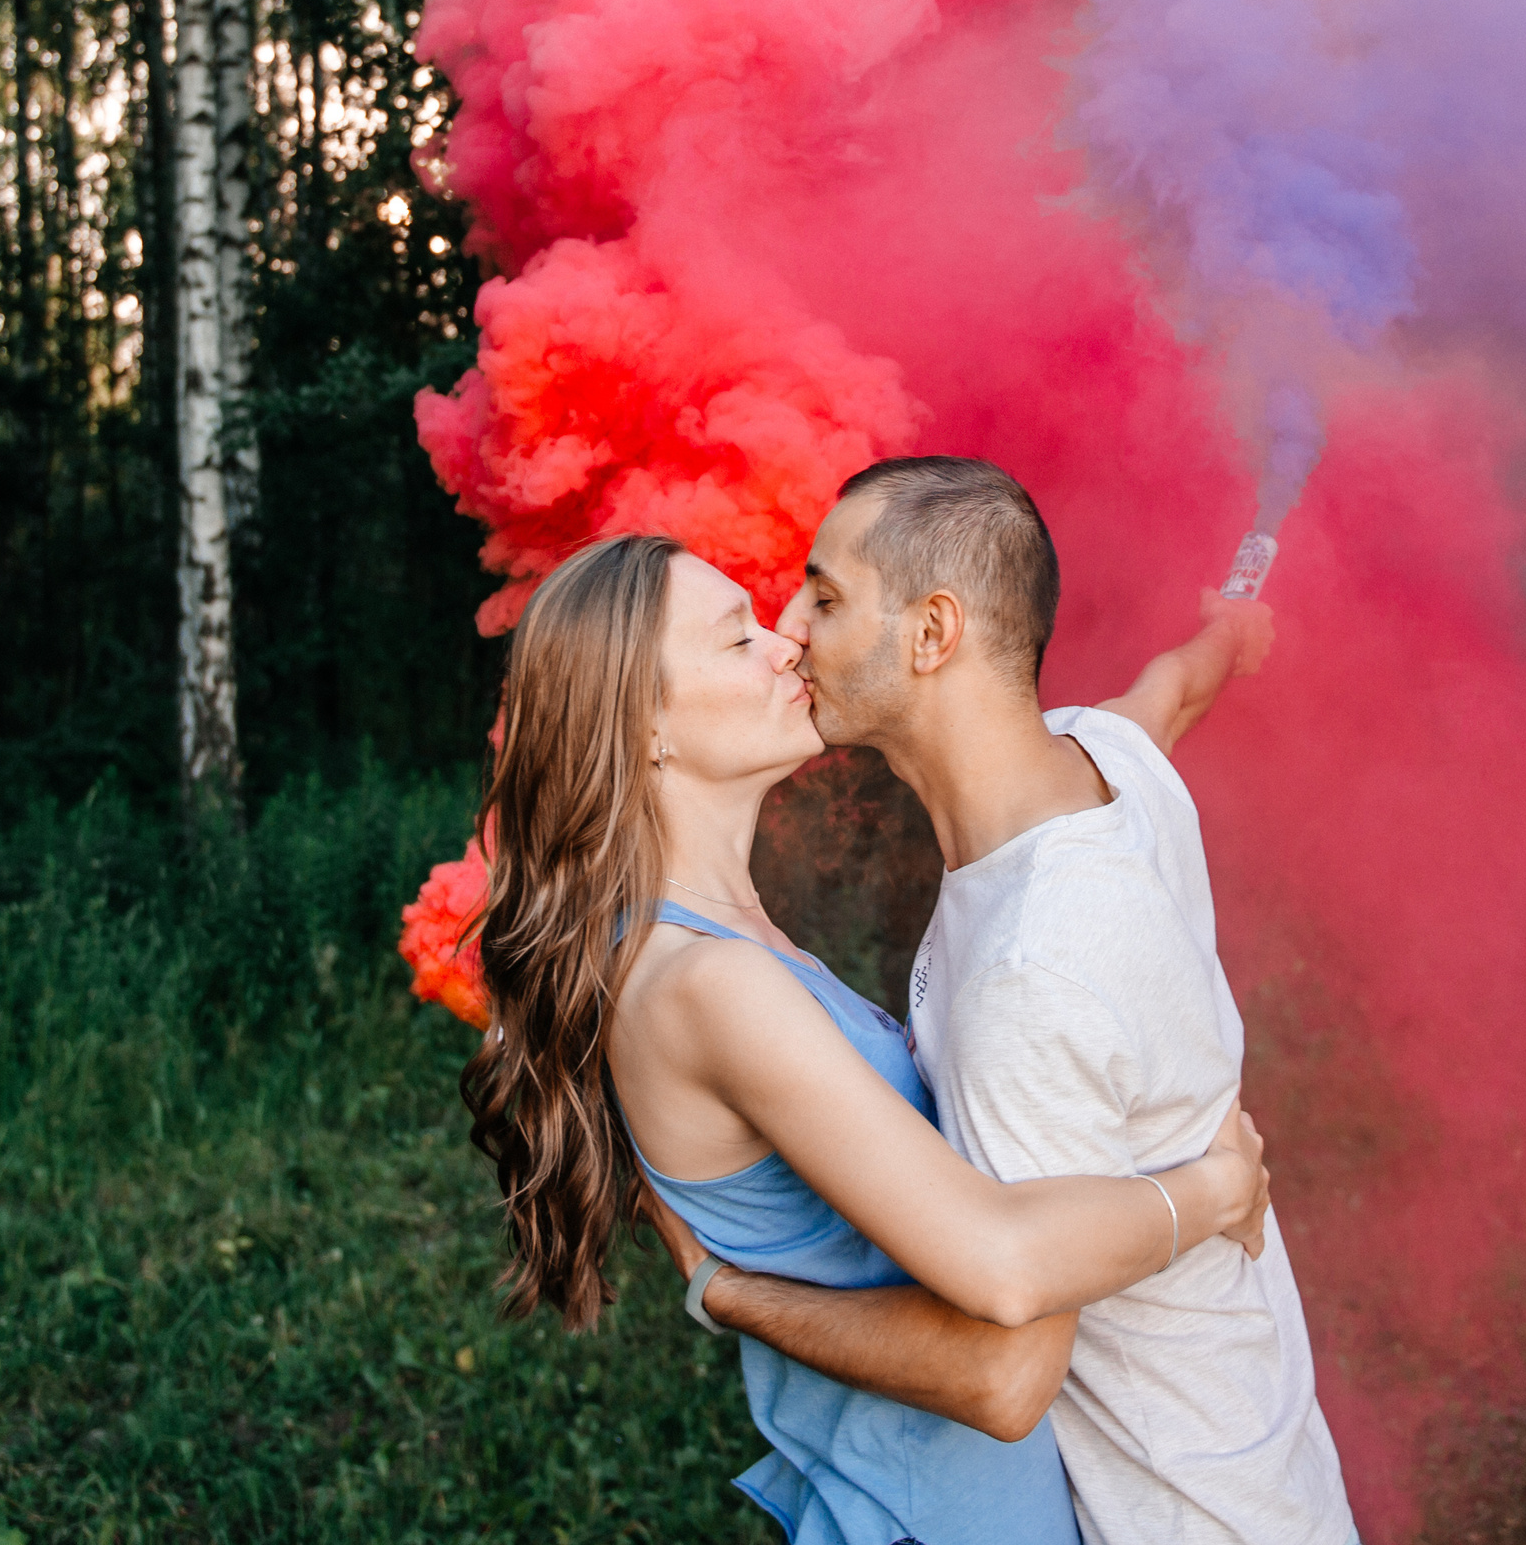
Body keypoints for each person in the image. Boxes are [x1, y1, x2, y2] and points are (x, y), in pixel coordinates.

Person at [457, 532, 1275, 1545]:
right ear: (643, 726)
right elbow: (1005, 1305)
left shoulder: (719, 944)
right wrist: (1213, 1191)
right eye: (736, 640)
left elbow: (1136, 720)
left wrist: (1218, 643)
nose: (785, 647)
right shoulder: (710, 982)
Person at [650, 457, 1357, 1544]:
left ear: (931, 636)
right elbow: (1169, 692)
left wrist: (728, 1292)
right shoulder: (1102, 761)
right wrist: (1233, 630)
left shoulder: (1031, 978)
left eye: (827, 599)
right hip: (1270, 1472)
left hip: (1169, 1516)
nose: (793, 629)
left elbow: (1003, 1372)